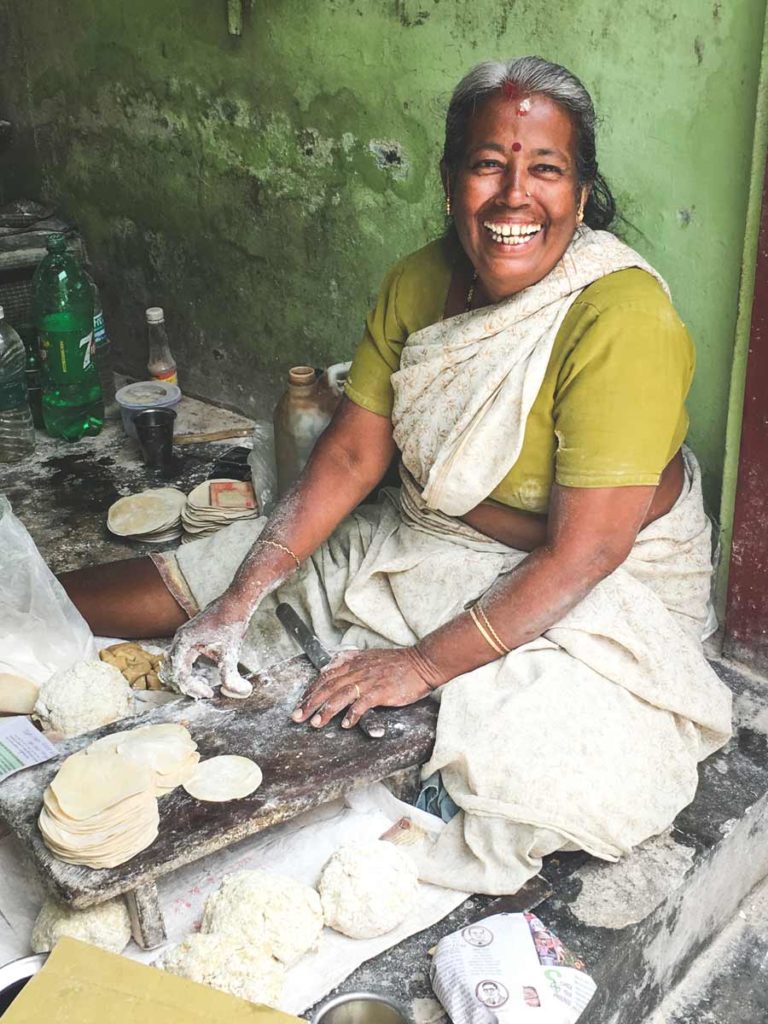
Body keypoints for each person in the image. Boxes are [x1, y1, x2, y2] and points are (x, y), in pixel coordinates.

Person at [60, 56, 732, 894]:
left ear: (584, 193)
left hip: (601, 588)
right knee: (219, 584)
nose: (514, 196)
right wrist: (243, 595)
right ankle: (33, 619)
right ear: (451, 183)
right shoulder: (419, 279)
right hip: (427, 530)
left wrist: (418, 665)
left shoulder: (622, 317)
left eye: (546, 170)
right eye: (489, 164)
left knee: (541, 769)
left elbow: (585, 554)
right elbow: (349, 454)